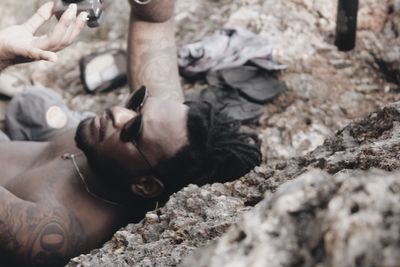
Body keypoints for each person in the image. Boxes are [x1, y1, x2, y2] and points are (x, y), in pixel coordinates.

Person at [0, 1, 262, 266]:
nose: (118, 113)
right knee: (36, 104)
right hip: (27, 154)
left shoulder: (52, 231)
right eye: (137, 103)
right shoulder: (158, 136)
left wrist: (4, 57)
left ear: (146, 185)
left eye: (134, 129)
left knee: (35, 104)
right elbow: (154, 21)